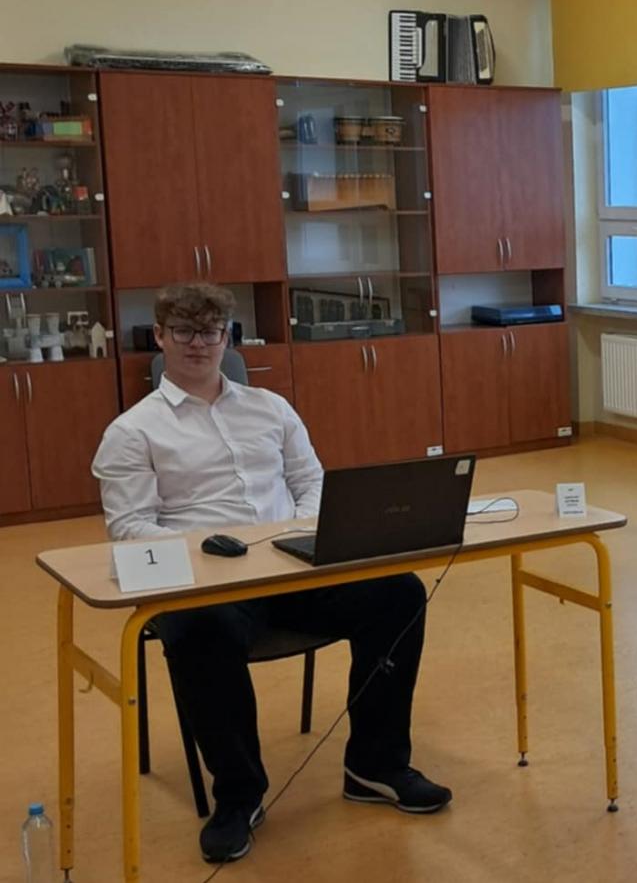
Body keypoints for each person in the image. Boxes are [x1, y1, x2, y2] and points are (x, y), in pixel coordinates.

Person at [92, 283, 450, 865]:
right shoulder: (133, 431)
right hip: (209, 585)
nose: (198, 343)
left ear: (227, 337)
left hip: (292, 567)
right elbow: (130, 528)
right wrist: (206, 551)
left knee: (398, 593)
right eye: (182, 331)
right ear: (159, 337)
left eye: (210, 331)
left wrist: (299, 535)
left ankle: (375, 766)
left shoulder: (271, 408)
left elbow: (312, 483)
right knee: (199, 629)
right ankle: (239, 796)